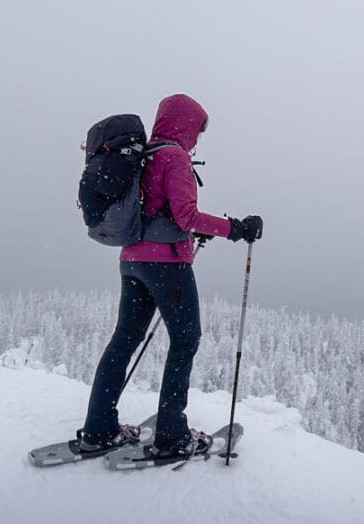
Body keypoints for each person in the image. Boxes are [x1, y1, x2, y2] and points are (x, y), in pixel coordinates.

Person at [79, 93, 262, 458]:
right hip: (167, 265)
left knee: (124, 340)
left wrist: (194, 230)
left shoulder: (142, 155)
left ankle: (98, 429)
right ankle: (172, 436)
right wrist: (236, 228)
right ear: (187, 125)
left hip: (132, 260)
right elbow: (185, 217)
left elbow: (155, 210)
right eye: (198, 131)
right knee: (185, 340)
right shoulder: (174, 157)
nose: (197, 139)